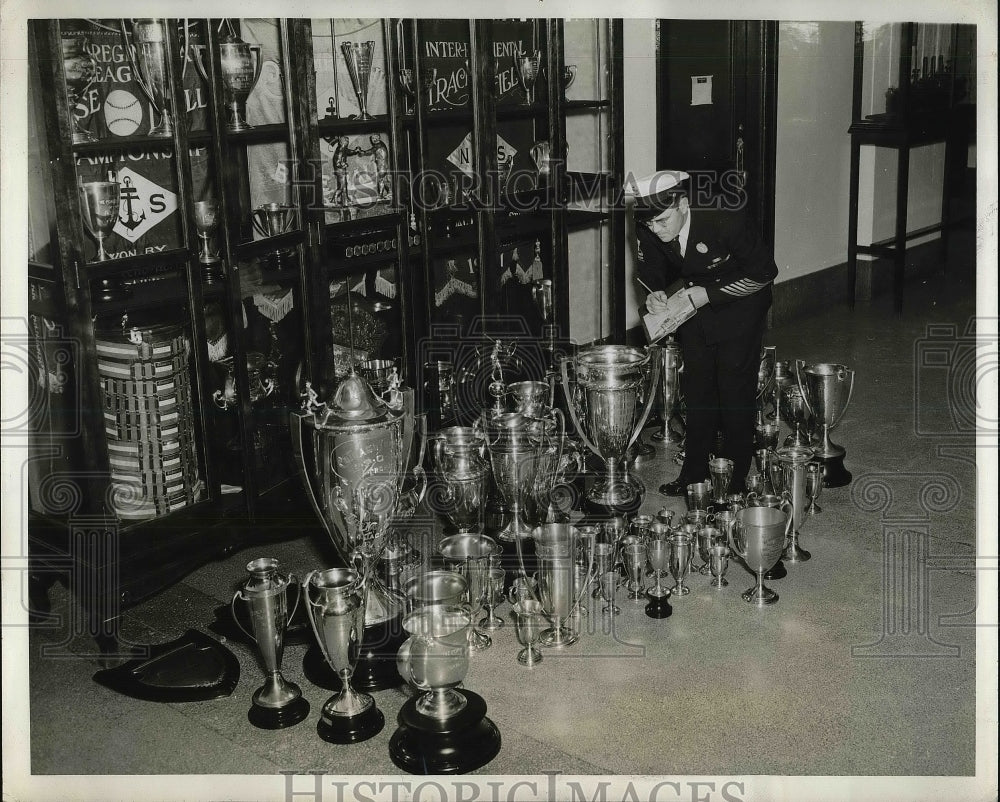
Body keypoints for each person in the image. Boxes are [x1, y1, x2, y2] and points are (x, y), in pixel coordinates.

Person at [629, 170, 777, 495]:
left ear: (682, 203)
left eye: (663, 221)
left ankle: (735, 481)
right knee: (697, 391)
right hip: (693, 302)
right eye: (650, 224)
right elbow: (650, 268)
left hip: (741, 305)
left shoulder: (725, 217)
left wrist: (709, 295)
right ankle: (693, 474)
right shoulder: (650, 224)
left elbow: (765, 272)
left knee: (734, 391)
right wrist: (654, 293)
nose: (657, 230)